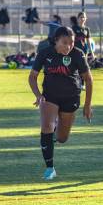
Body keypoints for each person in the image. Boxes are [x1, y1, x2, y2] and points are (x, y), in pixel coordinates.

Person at [28, 26, 93, 180]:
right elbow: (32, 77)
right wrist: (38, 95)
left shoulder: (77, 54)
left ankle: (56, 126)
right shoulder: (45, 53)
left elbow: (89, 79)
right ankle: (50, 168)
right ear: (56, 41)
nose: (68, 46)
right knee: (46, 127)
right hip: (49, 97)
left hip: (71, 99)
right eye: (65, 42)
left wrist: (88, 105)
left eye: (71, 43)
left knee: (62, 138)